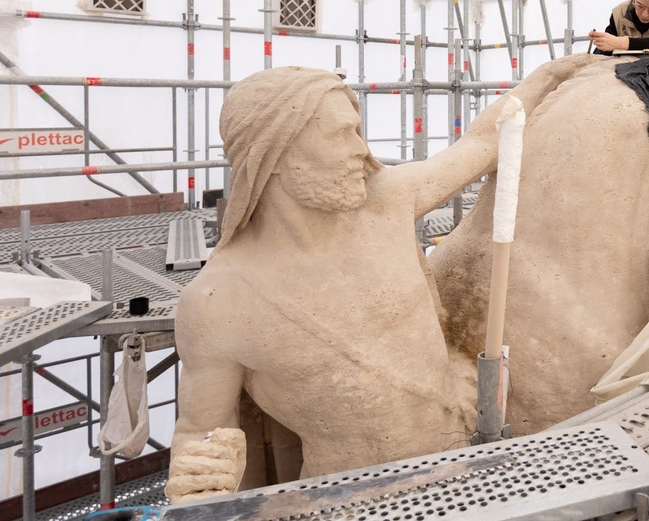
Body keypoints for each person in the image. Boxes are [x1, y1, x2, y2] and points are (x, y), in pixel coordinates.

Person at [166, 59, 594, 502]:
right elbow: (201, 433)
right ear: (273, 155)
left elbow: (486, 141)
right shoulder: (219, 303)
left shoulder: (388, 200)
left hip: (464, 465)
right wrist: (195, 481)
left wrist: (549, 76)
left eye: (357, 131)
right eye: (339, 135)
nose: (362, 150)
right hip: (349, 502)